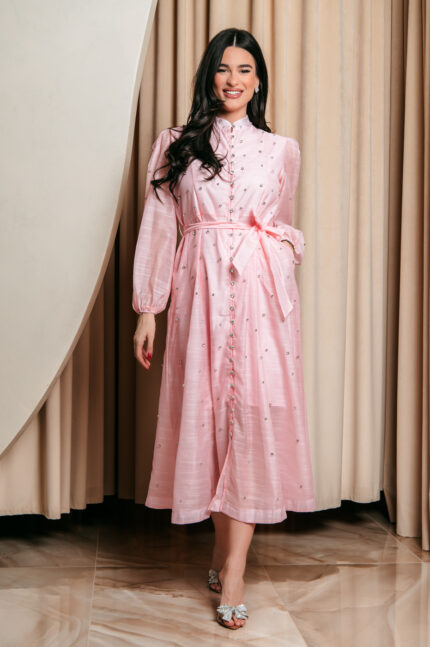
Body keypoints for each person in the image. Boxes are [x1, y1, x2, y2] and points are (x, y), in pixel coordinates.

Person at [132, 27, 316, 630]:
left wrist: (275, 259)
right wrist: (148, 308)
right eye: (222, 68)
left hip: (261, 298)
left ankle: (234, 570)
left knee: (253, 419)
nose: (232, 80)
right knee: (210, 421)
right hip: (198, 293)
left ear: (258, 81)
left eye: (244, 69)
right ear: (209, 77)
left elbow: (281, 223)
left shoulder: (282, 149)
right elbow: (160, 226)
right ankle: (220, 549)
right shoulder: (177, 144)